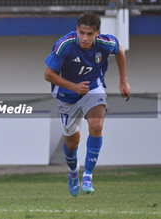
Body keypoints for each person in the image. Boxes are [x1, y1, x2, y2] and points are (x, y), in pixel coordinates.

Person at [44, 12, 130, 196]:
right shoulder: (65, 45)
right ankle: (73, 172)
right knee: (72, 141)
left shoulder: (105, 43)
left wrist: (123, 81)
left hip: (93, 88)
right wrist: (73, 87)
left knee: (96, 124)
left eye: (89, 34)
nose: (85, 38)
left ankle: (88, 175)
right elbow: (48, 74)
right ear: (77, 30)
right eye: (82, 32)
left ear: (97, 33)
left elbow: (120, 50)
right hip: (67, 95)